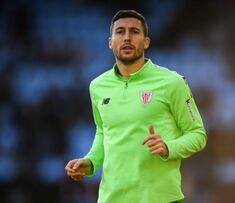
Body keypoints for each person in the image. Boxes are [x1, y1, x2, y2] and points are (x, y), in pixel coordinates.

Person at [65, 10, 207, 203]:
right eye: (120, 32)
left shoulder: (172, 82)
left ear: (146, 42)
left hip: (159, 198)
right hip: (111, 198)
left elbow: (197, 134)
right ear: (110, 42)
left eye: (134, 31)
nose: (127, 37)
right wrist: (90, 161)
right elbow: (103, 131)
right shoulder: (97, 86)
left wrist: (168, 147)